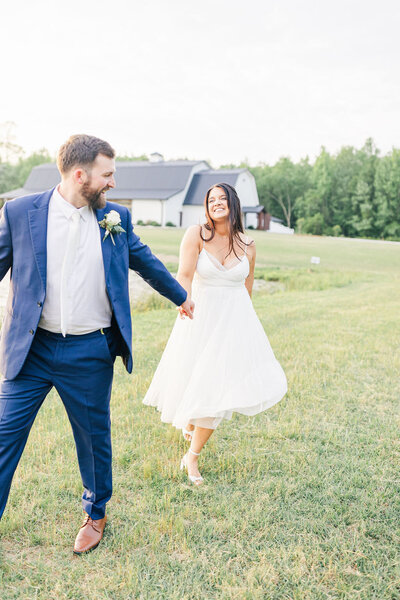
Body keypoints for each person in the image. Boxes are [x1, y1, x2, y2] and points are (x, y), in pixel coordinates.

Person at [0, 134, 194, 554]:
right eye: (107, 175)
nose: (112, 183)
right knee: (3, 437)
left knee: (93, 439)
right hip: (30, 351)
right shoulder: (19, 213)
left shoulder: (115, 218)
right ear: (79, 174)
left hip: (89, 351)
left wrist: (182, 297)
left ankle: (95, 513)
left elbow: (145, 261)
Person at [143, 183, 287, 485]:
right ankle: (191, 421)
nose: (217, 203)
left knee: (217, 387)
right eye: (211, 199)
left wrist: (246, 330)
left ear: (233, 204)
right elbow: (184, 273)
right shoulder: (196, 234)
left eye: (222, 198)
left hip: (234, 321)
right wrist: (183, 300)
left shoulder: (248, 244)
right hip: (199, 315)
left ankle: (192, 456)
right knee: (195, 377)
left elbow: (247, 289)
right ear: (206, 207)